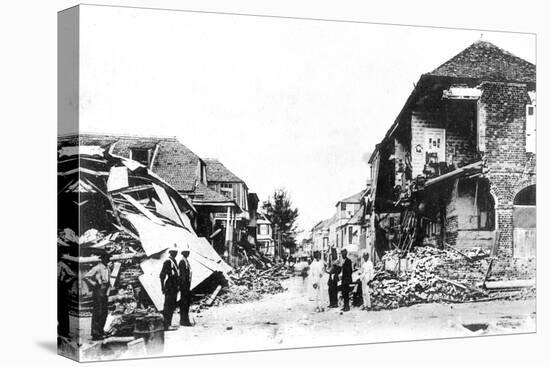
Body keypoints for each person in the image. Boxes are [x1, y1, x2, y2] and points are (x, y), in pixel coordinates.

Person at [84, 252, 111, 340]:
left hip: (105, 291)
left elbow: (108, 281)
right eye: (106, 258)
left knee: (104, 312)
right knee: (98, 312)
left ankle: (101, 330)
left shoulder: (108, 268)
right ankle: (96, 334)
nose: (108, 259)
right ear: (102, 259)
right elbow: (86, 276)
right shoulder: (97, 267)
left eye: (108, 258)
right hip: (98, 291)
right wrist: (94, 283)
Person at [160, 245, 180, 331]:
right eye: (173, 252)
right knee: (168, 305)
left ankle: (169, 323)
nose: (175, 254)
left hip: (174, 286)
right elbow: (162, 275)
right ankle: (166, 325)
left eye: (176, 252)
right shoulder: (167, 262)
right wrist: (162, 287)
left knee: (172, 305)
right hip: (169, 286)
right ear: (170, 252)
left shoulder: (174, 261)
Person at [57, 251, 76, 338]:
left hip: (59, 287)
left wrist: (65, 281)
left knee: (62, 309)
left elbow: (72, 274)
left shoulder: (62, 264)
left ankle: (64, 330)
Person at [178, 243, 193, 327]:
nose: (188, 254)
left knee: (186, 303)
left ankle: (185, 319)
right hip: (184, 286)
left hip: (187, 286)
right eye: (187, 252)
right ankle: (184, 320)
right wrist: (184, 287)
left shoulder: (186, 261)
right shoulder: (182, 262)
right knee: (184, 303)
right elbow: (182, 276)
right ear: (184, 253)